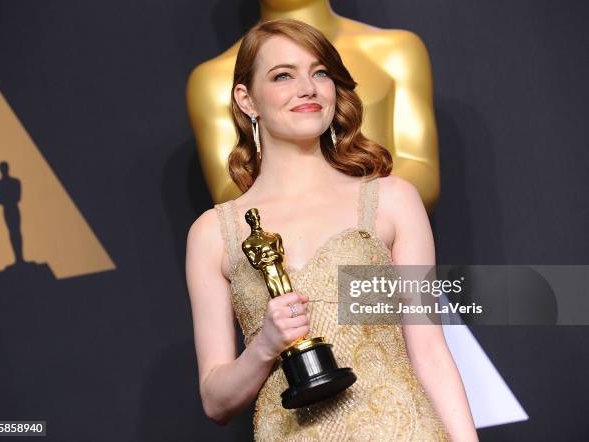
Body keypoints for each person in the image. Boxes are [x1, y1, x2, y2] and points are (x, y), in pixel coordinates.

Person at [186, 19, 478, 441]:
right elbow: (216, 402)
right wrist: (266, 345)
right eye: (283, 75)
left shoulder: (391, 201)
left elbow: (430, 352)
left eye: (320, 72)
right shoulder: (214, 233)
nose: (308, 87)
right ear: (246, 99)